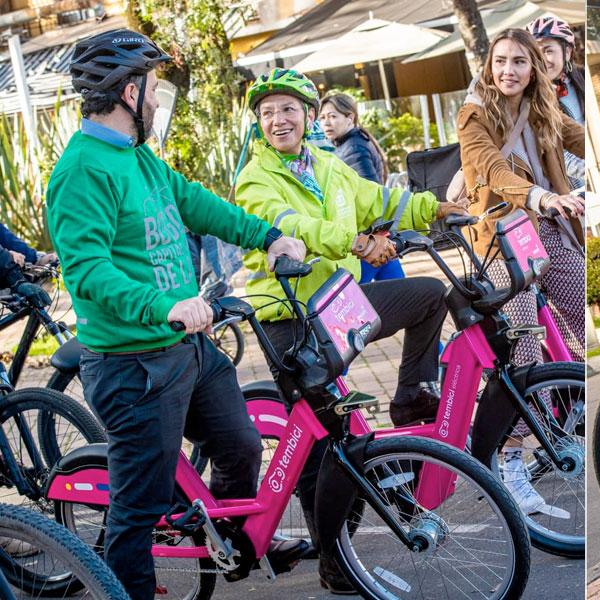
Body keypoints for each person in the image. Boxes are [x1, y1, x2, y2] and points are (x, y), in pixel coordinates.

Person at [45, 30, 309, 600]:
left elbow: (193, 201)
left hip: (187, 348)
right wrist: (164, 304)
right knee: (136, 512)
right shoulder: (82, 171)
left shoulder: (138, 157)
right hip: (133, 365)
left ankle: (230, 542)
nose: (160, 99)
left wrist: (267, 235)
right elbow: (87, 270)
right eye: (155, 87)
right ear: (128, 91)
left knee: (240, 443)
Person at [233, 67, 466, 594]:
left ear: (310, 115)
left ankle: (411, 397)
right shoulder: (256, 179)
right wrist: (356, 243)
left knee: (431, 296)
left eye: (288, 109)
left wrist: (437, 208)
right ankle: (336, 566)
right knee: (326, 444)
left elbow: (382, 199)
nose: (278, 120)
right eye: (267, 113)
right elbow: (293, 228)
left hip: (339, 307)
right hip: (291, 319)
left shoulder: (330, 167)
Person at [456, 28, 586, 513]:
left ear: (534, 68)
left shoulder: (542, 107)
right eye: (500, 60)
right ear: (489, 65)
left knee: (582, 325)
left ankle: (575, 417)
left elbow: (579, 137)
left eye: (518, 62)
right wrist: (540, 195)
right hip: (504, 241)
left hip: (551, 229)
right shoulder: (473, 114)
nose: (508, 70)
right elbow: (492, 169)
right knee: (525, 349)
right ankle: (509, 460)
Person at [318, 92, 405, 283]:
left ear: (350, 117)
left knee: (349, 298)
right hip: (375, 236)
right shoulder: (352, 143)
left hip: (368, 239)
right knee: (397, 294)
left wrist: (364, 241)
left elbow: (369, 193)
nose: (326, 123)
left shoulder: (353, 148)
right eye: (323, 117)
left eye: (333, 116)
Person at [526, 15, 584, 125]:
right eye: (535, 53)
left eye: (548, 51)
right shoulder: (528, 95)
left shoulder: (584, 79)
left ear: (567, 52)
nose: (541, 60)